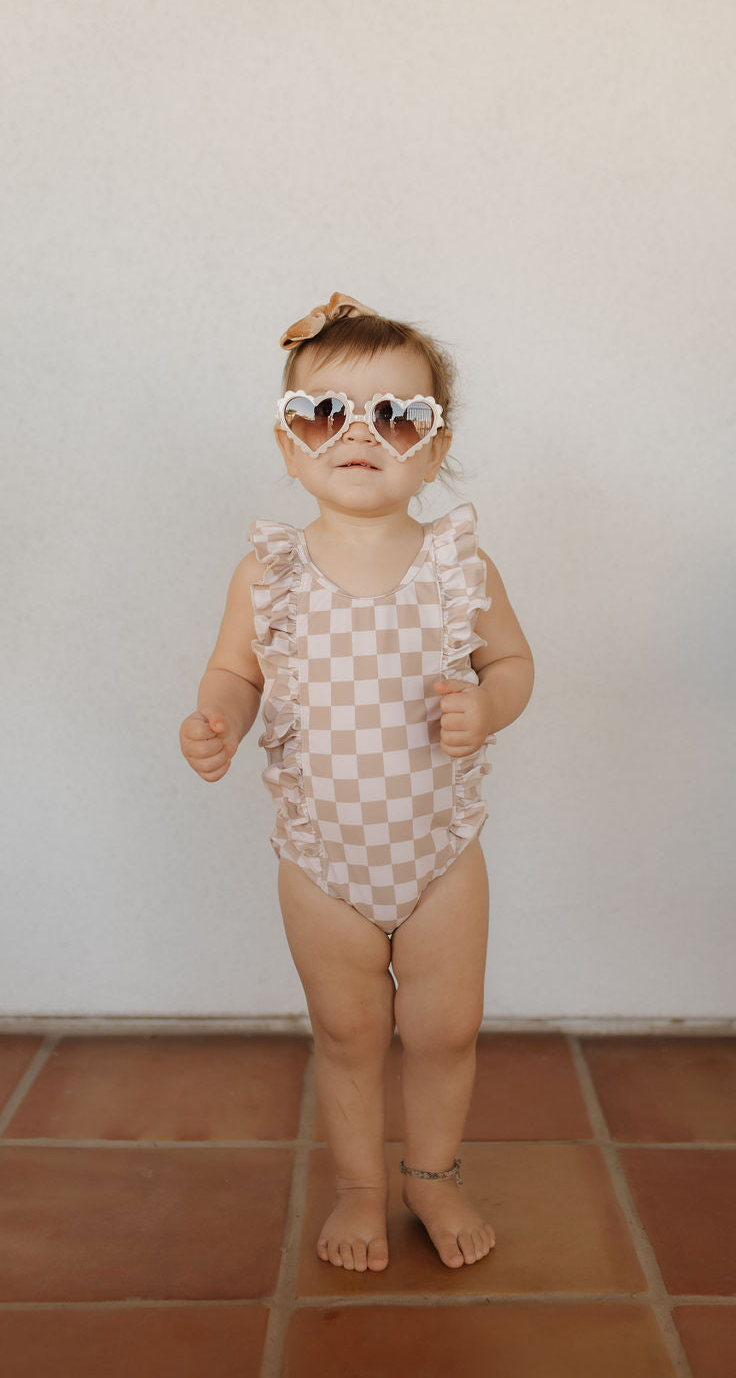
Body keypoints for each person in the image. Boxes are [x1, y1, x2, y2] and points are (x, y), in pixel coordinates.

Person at [179, 293, 534, 1273]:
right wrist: (217, 723)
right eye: (325, 413)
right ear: (290, 444)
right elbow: (236, 672)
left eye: (398, 415)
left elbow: (512, 664)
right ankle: (359, 1188)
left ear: (435, 444)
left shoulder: (459, 565)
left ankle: (433, 1173)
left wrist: (487, 708)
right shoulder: (268, 574)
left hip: (438, 853)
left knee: (444, 1030)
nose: (360, 435)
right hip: (322, 857)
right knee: (347, 1035)